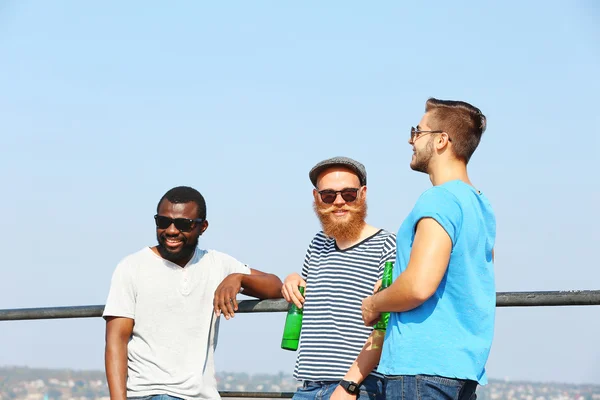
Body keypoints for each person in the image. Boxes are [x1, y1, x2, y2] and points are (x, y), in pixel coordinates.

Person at [361, 98, 496, 400]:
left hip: (421, 370)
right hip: (462, 368)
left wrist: (374, 303)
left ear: (441, 141)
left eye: (417, 131)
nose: (411, 140)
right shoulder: (481, 205)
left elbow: (419, 286)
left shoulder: (438, 199)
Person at [103, 186, 283, 400]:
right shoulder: (132, 266)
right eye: (162, 222)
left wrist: (239, 278)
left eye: (182, 224)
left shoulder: (216, 264)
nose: (171, 230)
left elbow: (275, 286)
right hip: (148, 393)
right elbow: (116, 341)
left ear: (202, 227)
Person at [282, 157, 396, 400]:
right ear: (316, 198)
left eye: (349, 194)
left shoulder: (387, 244)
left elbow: (384, 327)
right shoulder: (317, 244)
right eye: (329, 196)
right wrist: (292, 278)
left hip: (359, 387)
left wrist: (350, 384)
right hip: (308, 386)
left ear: (363, 194)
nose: (339, 201)